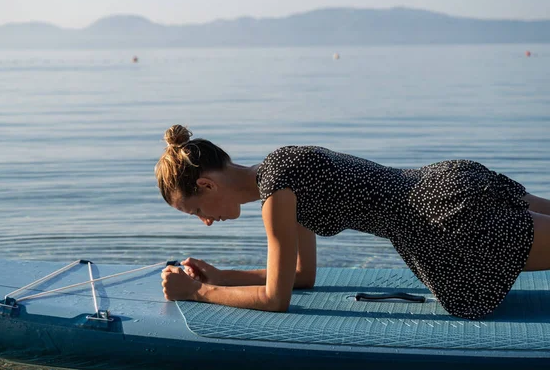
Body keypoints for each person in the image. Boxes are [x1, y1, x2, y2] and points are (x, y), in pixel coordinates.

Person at [155, 124, 550, 320]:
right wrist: (221, 277)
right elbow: (301, 275)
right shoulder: (281, 170)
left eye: (196, 211)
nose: (205, 221)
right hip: (444, 181)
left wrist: (196, 293)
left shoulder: (276, 196)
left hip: (442, 220)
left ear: (206, 185)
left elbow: (276, 300)